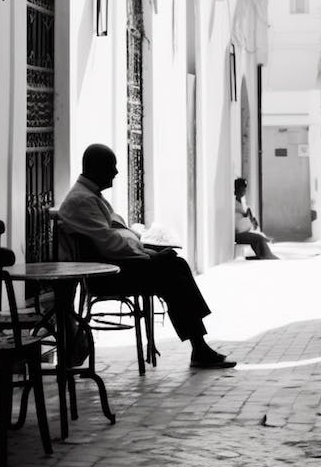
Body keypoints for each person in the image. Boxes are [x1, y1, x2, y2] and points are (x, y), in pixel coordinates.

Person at [58, 144, 236, 369]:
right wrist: (148, 255)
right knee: (174, 273)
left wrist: (147, 252)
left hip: (118, 264)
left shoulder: (89, 196)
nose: (116, 172)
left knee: (177, 265)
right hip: (108, 274)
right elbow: (110, 242)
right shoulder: (83, 200)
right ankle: (199, 346)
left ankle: (199, 345)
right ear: (96, 168)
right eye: (111, 166)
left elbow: (117, 235)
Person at [234, 177, 278, 260]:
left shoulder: (243, 202)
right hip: (238, 234)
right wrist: (245, 213)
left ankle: (265, 255)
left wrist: (250, 216)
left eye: (244, 188)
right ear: (237, 189)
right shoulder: (233, 202)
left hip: (245, 230)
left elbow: (249, 217)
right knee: (258, 237)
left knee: (259, 237)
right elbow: (239, 217)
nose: (244, 191)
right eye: (242, 188)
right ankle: (267, 256)